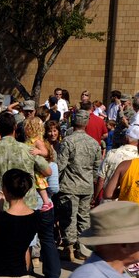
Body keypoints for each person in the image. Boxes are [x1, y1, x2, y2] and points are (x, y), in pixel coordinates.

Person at [0, 112, 57, 278]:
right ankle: (22, 276)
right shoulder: (27, 150)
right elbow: (48, 170)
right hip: (24, 205)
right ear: (16, 128)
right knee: (24, 245)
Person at [57, 109, 102, 261]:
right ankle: (83, 249)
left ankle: (69, 247)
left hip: (70, 185)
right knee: (84, 217)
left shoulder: (68, 141)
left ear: (73, 121)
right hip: (87, 185)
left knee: (69, 217)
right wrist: (92, 181)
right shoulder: (94, 143)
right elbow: (97, 168)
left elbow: (60, 165)